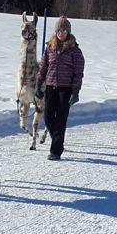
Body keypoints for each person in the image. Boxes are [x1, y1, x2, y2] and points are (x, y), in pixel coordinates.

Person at [35, 16, 85, 160]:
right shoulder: (50, 47)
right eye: (58, 30)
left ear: (68, 32)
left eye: (63, 30)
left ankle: (55, 151)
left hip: (66, 89)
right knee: (48, 117)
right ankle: (58, 140)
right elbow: (44, 67)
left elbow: (78, 73)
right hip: (51, 87)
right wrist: (39, 84)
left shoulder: (75, 50)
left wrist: (75, 91)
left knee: (61, 120)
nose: (61, 33)